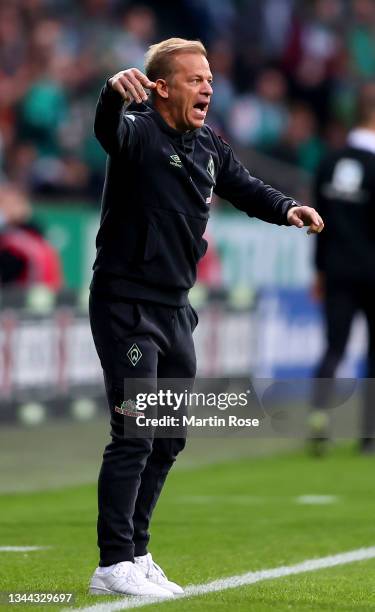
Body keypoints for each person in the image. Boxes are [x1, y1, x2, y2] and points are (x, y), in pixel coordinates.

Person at [89, 37, 324, 599]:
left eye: (210, 79)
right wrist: (109, 95)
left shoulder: (207, 145)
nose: (208, 87)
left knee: (168, 438)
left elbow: (244, 186)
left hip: (175, 309)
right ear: (162, 87)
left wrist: (287, 208)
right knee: (135, 432)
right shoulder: (139, 130)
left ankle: (138, 553)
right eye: (195, 79)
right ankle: (112, 562)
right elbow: (108, 132)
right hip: (127, 306)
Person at [311, 82, 375, 455]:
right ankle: (368, 435)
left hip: (335, 269)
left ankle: (318, 421)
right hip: (371, 270)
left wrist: (319, 270)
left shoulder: (328, 161)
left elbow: (317, 224)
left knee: (333, 346)